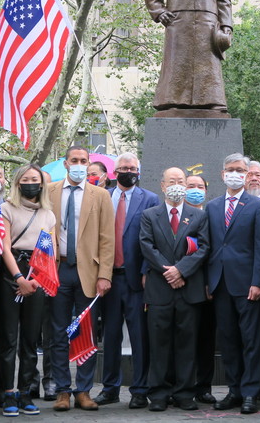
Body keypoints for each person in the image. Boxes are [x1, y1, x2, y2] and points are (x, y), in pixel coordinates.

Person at [47, 146, 115, 412]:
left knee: (86, 333)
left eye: (83, 160)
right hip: (58, 269)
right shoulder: (49, 191)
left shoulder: (101, 195)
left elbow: (107, 238)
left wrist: (104, 275)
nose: (78, 164)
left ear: (88, 164)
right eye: (73, 160)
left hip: (89, 272)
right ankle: (63, 391)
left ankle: (83, 390)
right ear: (66, 163)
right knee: (58, 332)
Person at [205, 154, 260, 414]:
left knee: (251, 340)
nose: (235, 173)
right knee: (228, 340)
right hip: (219, 283)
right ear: (223, 174)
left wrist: (258, 282)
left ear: (246, 174)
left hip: (247, 285)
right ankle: (234, 390)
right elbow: (209, 246)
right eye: (231, 169)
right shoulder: (212, 206)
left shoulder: (257, 205)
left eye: (240, 170)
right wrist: (209, 282)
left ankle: (250, 393)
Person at [139, 167, 210, 411]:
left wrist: (180, 270)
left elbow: (203, 247)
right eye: (172, 181)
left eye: (181, 181)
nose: (176, 185)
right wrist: (168, 272)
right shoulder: (149, 215)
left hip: (188, 289)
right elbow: (146, 246)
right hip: (160, 289)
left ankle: (185, 393)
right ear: (162, 186)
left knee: (187, 344)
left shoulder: (198, 216)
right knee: (158, 344)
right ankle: (159, 394)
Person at [94, 153, 158, 409]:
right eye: (123, 167)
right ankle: (109, 388)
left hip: (136, 280)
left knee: (140, 337)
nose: (128, 171)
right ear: (115, 171)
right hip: (108, 279)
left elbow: (153, 240)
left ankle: (140, 390)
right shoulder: (102, 197)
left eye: (132, 168)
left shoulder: (150, 199)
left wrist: (146, 272)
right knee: (110, 337)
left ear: (138, 171)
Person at [0, 165, 56, 417]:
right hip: (12, 273)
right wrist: (18, 278)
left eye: (35, 179)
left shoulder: (48, 214)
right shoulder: (6, 209)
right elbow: (4, 247)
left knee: (30, 340)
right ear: (18, 183)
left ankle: (25, 391)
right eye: (26, 179)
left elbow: (50, 250)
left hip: (38, 274)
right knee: (8, 339)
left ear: (41, 184)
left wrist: (40, 279)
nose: (31, 183)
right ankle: (8, 392)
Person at [184, 175, 216, 404]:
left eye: (200, 186)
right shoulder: (173, 215)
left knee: (206, 339)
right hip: (179, 282)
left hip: (208, 287)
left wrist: (210, 282)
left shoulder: (212, 215)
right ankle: (180, 385)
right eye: (190, 186)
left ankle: (203, 387)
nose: (195, 190)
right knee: (183, 339)